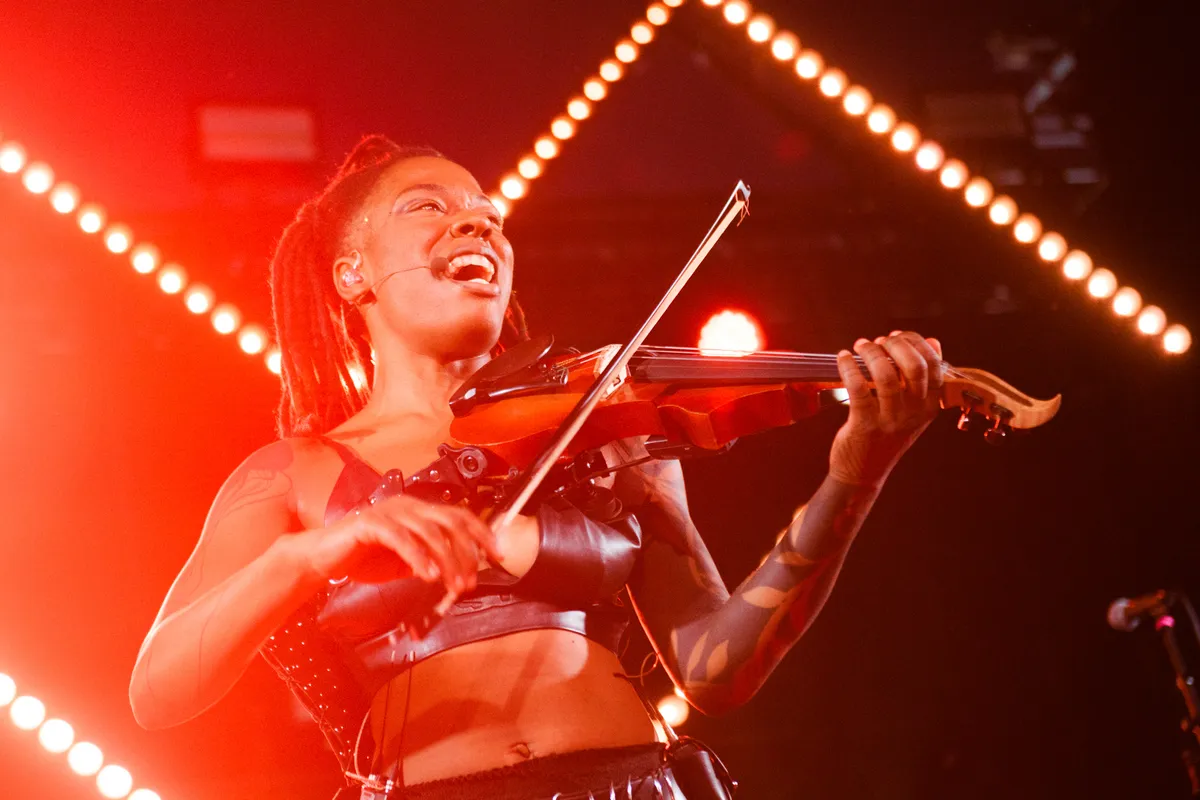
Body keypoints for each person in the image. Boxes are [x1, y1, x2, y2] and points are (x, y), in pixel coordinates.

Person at [128, 135, 946, 799]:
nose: (476, 224)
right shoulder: (290, 474)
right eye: (429, 207)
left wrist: (855, 475)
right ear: (353, 273)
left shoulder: (604, 427)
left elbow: (714, 671)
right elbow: (157, 692)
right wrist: (310, 554)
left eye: (489, 216)